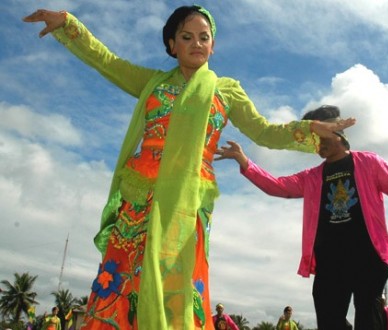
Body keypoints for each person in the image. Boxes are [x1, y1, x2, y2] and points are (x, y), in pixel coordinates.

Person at [22, 6, 354, 330]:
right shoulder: (152, 82)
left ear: (213, 45)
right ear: (172, 45)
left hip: (188, 202)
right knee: (124, 274)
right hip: (139, 196)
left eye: (204, 37)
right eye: (187, 36)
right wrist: (68, 25)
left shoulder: (227, 92)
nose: (197, 43)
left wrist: (310, 130)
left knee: (177, 277)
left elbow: (264, 131)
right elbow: (107, 62)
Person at [217, 105, 388, 330]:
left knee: (368, 318)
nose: (315, 142)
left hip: (368, 257)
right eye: (311, 137)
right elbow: (278, 186)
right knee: (329, 320)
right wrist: (245, 162)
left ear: (337, 134)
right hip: (330, 261)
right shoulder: (312, 176)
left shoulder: (368, 163)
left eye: (318, 135)